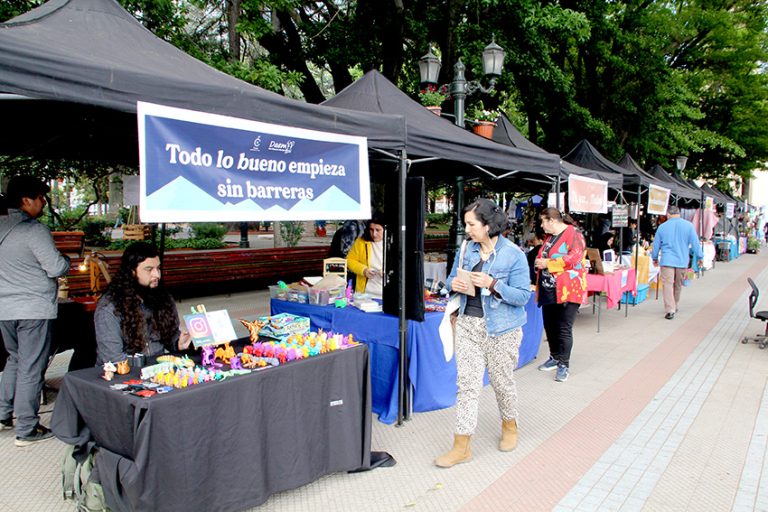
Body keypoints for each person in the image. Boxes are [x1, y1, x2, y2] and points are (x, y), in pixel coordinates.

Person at [435, 198, 531, 468]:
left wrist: (493, 283)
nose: (467, 230)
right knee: (466, 385)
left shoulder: (514, 255)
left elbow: (523, 296)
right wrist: (453, 284)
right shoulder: (466, 249)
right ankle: (461, 445)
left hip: (502, 329)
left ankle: (510, 426)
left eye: (472, 224)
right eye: (466, 224)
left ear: (488, 225)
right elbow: (454, 279)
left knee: (502, 382)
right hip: (468, 324)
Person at [0, 176, 70, 446]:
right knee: (31, 365)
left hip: (4, 309)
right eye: (41, 197)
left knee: (15, 359)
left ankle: (4, 414)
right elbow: (54, 267)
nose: (43, 202)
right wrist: (65, 260)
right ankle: (27, 429)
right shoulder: (33, 230)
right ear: (26, 200)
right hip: (33, 308)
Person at [95, 242, 191, 366]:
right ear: (132, 271)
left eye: (158, 268)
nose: (156, 275)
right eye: (149, 269)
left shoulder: (163, 298)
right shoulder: (109, 307)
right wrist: (148, 365)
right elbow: (112, 358)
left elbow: (170, 338)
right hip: (120, 375)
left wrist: (178, 343)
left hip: (158, 371)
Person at [533, 208, 587, 383]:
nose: (542, 226)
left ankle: (564, 363)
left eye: (543, 221)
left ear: (552, 221)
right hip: (549, 288)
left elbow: (574, 258)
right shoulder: (550, 237)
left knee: (563, 327)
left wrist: (547, 263)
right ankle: (554, 357)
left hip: (568, 288)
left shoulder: (574, 234)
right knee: (550, 325)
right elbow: (542, 256)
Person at [651, 205, 703, 320]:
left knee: (668, 285)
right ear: (679, 213)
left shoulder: (662, 227)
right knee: (678, 285)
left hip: (667, 261)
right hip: (682, 261)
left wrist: (654, 258)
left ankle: (670, 309)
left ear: (668, 214)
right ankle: (675, 304)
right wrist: (700, 256)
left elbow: (656, 245)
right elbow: (695, 243)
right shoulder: (689, 226)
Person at [345, 214, 385, 298]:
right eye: (371, 229)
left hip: (387, 293)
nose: (374, 234)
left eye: (378, 230)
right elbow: (349, 260)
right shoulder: (361, 242)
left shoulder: (395, 242)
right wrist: (363, 270)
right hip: (365, 293)